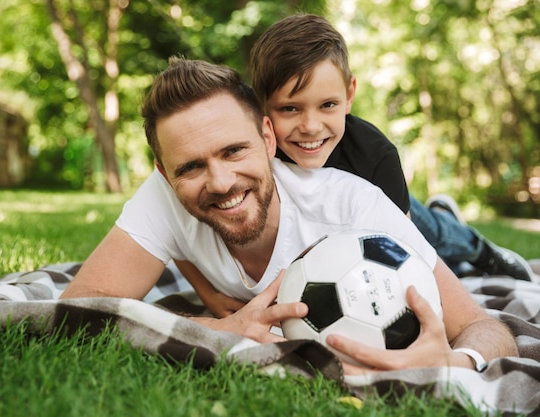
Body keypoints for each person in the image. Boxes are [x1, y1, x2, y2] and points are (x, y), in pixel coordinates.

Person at [61, 57, 518, 373]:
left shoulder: (354, 207)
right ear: (164, 172)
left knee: (440, 242)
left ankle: (455, 229)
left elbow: (484, 327)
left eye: (234, 150)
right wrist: (216, 329)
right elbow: (78, 307)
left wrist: (456, 362)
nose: (220, 182)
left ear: (267, 137)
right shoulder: (160, 197)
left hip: (404, 220)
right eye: (192, 167)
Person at [180, 13, 534, 318]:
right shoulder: (247, 156)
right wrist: (208, 294)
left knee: (434, 235)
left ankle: (478, 247)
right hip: (330, 230)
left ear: (349, 95)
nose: (310, 126)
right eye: (290, 108)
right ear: (262, 109)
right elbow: (171, 228)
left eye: (328, 105)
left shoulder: (375, 155)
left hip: (387, 211)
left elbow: (402, 253)